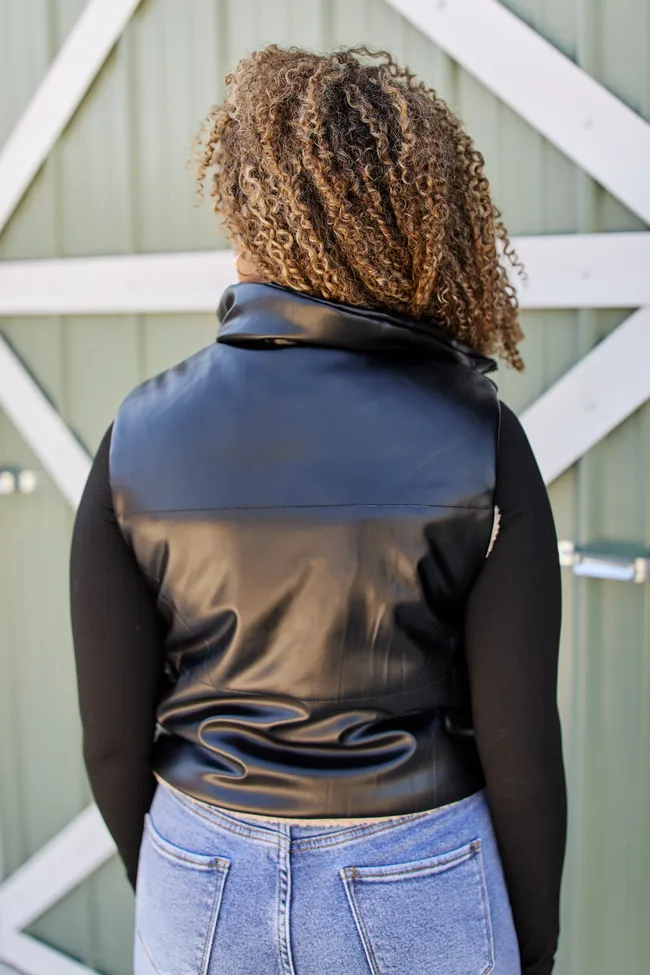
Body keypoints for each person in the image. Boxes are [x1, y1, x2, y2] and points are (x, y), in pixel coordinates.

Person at [70, 45, 567, 975]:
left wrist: (180, 874)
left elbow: (109, 741)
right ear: (412, 220)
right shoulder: (482, 438)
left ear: (245, 212)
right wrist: (530, 946)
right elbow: (523, 750)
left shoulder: (136, 433)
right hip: (418, 871)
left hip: (197, 863)